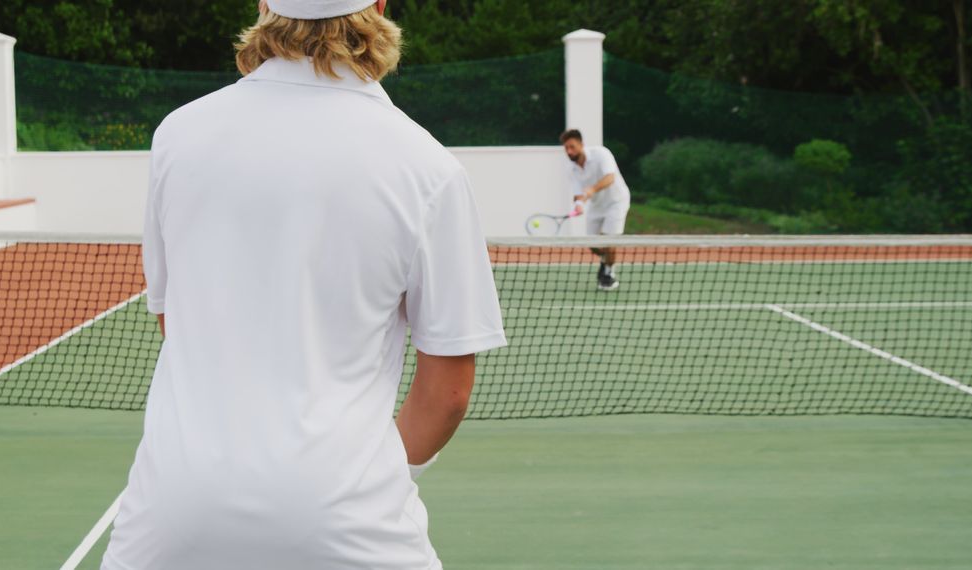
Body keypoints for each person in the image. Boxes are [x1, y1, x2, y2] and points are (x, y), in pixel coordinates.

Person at [102, 1, 507, 568]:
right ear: (381, 9)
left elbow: (177, 322)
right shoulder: (429, 167)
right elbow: (448, 392)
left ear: (265, 7)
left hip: (169, 518)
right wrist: (377, 473)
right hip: (349, 527)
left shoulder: (177, 135)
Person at [560, 129, 631, 291]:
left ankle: (608, 272)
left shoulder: (602, 154)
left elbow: (610, 178)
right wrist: (579, 205)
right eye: (566, 148)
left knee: (609, 241)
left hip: (616, 202)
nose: (569, 151)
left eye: (572, 147)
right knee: (592, 244)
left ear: (581, 145)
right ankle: (606, 259)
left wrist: (591, 190)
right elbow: (578, 194)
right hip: (596, 206)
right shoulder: (570, 168)